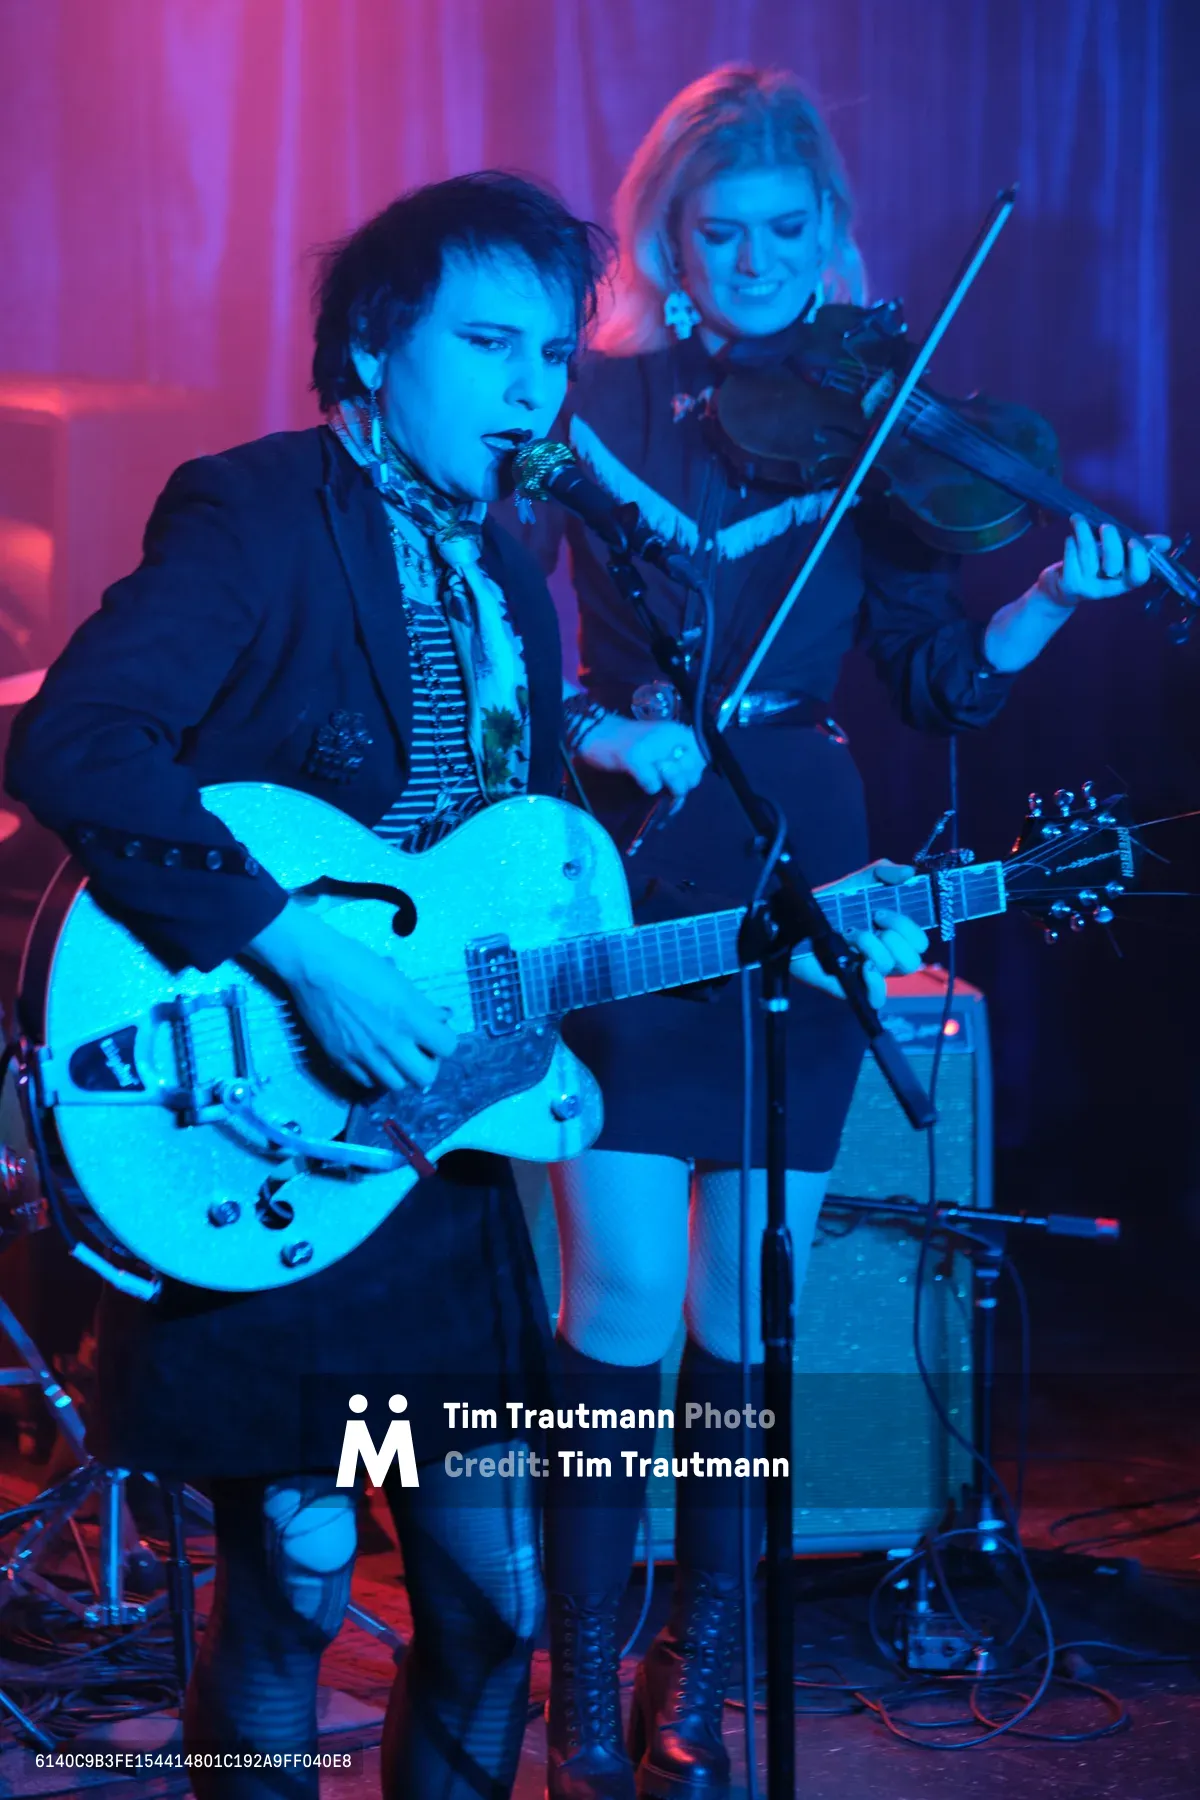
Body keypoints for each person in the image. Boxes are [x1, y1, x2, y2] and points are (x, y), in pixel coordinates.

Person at [527, 67, 1166, 1800]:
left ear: (831, 234)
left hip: (801, 852)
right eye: (718, 233)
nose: (754, 264)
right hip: (623, 855)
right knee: (620, 1295)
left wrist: (1051, 592)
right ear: (668, 239)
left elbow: (938, 679)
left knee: (752, 1307)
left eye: (786, 231)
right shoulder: (587, 402)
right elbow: (510, 646)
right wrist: (595, 731)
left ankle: (702, 1677)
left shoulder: (872, 427)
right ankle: (581, 1683)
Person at [5, 171, 626, 1800]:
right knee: (288, 1589)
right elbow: (74, 745)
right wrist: (301, 950)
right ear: (371, 345)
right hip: (258, 1120)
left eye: (552, 354)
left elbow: (488, 878)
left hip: (430, 1157)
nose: (529, 388)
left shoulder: (513, 579)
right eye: (487, 343)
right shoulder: (259, 510)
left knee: (494, 1607)